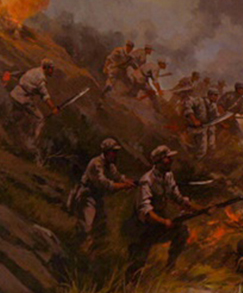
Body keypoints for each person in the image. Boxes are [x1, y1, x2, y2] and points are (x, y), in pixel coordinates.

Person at [126, 145, 199, 279]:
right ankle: (130, 283)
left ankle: (170, 268)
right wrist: (164, 222)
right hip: (142, 228)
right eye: (167, 158)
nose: (171, 160)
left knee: (182, 232)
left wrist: (197, 209)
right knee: (137, 263)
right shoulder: (147, 181)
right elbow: (145, 211)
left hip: (158, 223)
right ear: (158, 161)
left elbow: (177, 197)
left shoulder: (168, 176)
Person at [70, 137, 135, 250]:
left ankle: (92, 251)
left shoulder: (110, 165)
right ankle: (77, 249)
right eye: (113, 151)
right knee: (87, 225)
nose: (115, 154)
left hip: (97, 197)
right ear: (106, 152)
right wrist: (124, 186)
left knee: (101, 226)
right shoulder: (96, 163)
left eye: (116, 152)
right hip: (87, 196)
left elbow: (117, 176)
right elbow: (105, 184)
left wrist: (129, 182)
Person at [9, 58, 58, 163]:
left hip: (14, 94)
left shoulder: (34, 70)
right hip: (23, 99)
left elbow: (22, 74)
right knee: (40, 119)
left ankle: (17, 138)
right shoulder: (41, 79)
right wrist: (53, 108)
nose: (52, 71)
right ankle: (31, 144)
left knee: (19, 118)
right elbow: (45, 96)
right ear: (47, 68)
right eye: (51, 69)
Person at [184, 87, 221, 157]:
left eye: (217, 95)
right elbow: (188, 107)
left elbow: (216, 116)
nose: (217, 97)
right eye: (216, 95)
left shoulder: (213, 106)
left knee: (212, 146)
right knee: (202, 150)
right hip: (197, 128)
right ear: (211, 95)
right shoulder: (199, 100)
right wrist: (194, 120)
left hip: (208, 128)